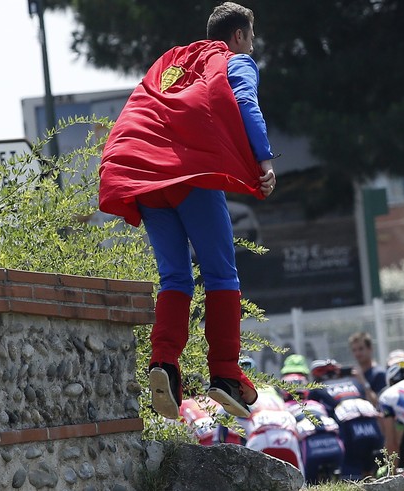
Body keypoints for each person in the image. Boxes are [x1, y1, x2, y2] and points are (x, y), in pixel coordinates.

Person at [98, 2, 277, 420]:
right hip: (188, 174)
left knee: (175, 276)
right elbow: (245, 103)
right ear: (238, 36)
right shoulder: (235, 60)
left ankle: (164, 365)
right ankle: (226, 374)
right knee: (221, 273)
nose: (251, 46)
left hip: (138, 170)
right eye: (250, 37)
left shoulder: (172, 61)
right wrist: (264, 161)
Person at [307, 359, 384, 479]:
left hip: (349, 430)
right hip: (373, 428)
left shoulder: (317, 389)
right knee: (370, 475)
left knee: (350, 478)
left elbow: (316, 414)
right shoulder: (354, 381)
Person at [348, 332, 387, 406]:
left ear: (370, 349)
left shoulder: (379, 374)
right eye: (354, 350)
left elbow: (378, 404)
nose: (357, 353)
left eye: (361, 349)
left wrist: (363, 382)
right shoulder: (353, 374)